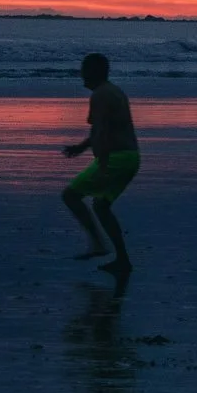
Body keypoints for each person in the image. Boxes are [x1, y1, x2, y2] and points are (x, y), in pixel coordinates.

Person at [60, 52, 138, 274]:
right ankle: (122, 260)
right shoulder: (112, 91)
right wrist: (81, 147)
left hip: (116, 158)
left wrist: (102, 164)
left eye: (84, 69)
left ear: (93, 71)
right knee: (101, 206)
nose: (81, 74)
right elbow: (102, 129)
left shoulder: (100, 95)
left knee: (70, 195)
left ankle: (98, 243)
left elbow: (102, 131)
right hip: (130, 158)